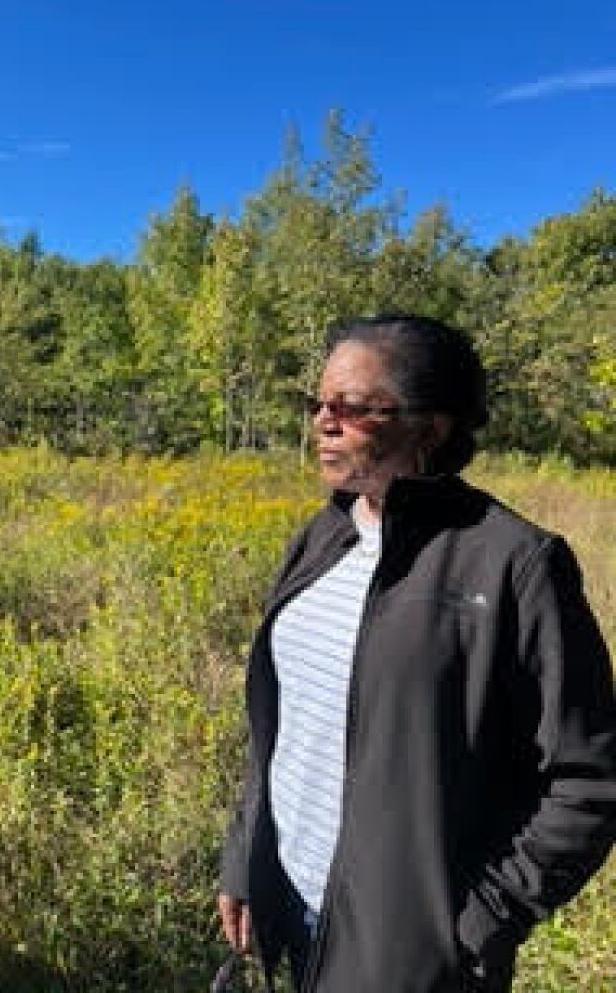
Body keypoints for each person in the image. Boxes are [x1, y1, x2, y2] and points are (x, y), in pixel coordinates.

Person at [216, 314, 615, 993]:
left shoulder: (514, 563)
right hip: (293, 905)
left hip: (410, 954)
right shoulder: (322, 537)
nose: (322, 423)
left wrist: (480, 919)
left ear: (430, 429)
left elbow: (590, 778)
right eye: (317, 404)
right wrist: (244, 856)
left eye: (350, 408)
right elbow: (284, 731)